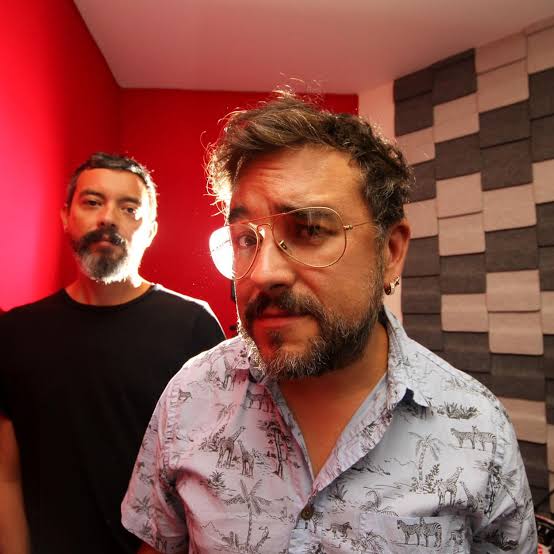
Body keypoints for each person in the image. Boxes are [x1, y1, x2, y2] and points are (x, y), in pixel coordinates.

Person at [122, 94, 537, 553]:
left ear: (390, 252)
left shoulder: (479, 429)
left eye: (311, 229)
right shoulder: (189, 398)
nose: (262, 273)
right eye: (245, 239)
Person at [0, 153, 225, 554]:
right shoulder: (15, 332)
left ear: (150, 230)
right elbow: (6, 474)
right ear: (65, 217)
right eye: (92, 202)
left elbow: (212, 472)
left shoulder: (192, 326)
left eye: (129, 208)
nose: (108, 218)